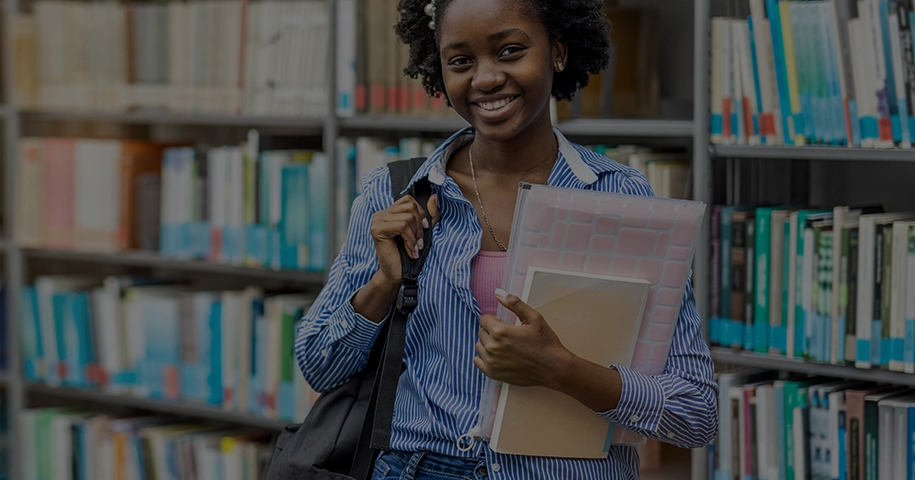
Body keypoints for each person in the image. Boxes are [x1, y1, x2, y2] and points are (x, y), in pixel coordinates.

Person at [292, 0, 718, 478]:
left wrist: (561, 369)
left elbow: (695, 413)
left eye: (510, 50)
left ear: (557, 51)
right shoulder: (395, 193)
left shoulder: (621, 197)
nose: (486, 78)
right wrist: (381, 284)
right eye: (460, 61)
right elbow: (318, 368)